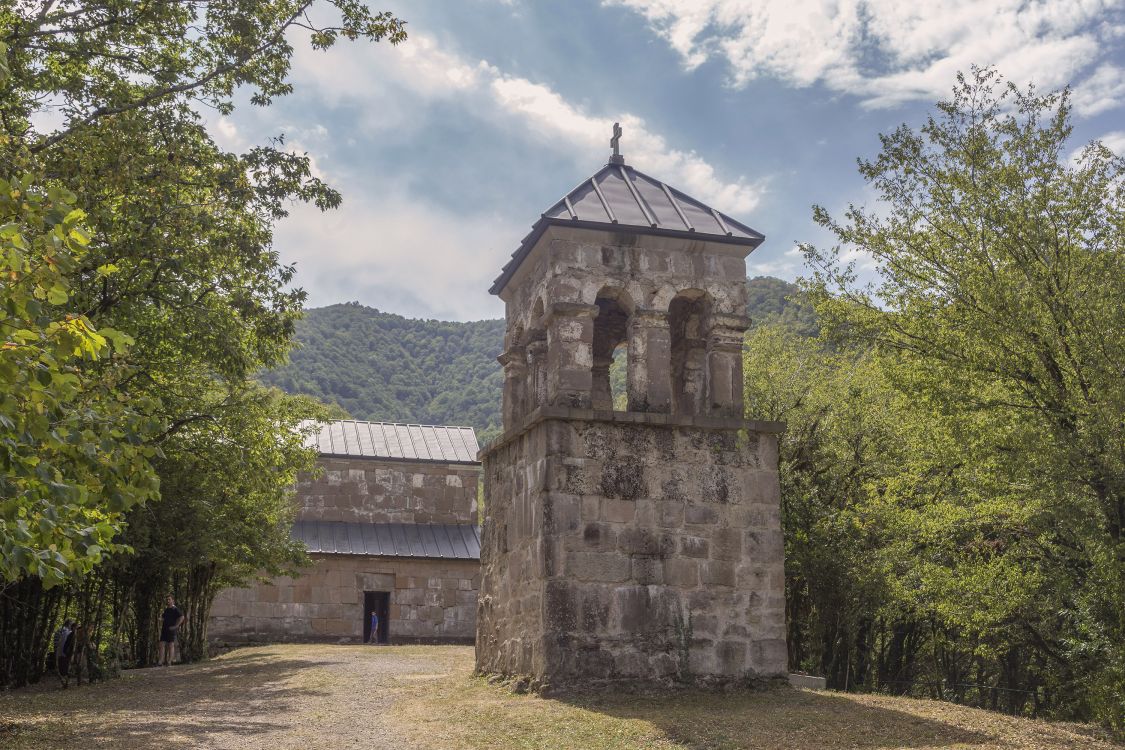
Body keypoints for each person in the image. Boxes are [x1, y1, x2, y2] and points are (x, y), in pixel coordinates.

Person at [158, 595, 184, 666]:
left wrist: (176, 626)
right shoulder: (166, 610)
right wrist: (160, 619)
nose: (168, 601)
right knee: (161, 644)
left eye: (169, 599)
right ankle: (160, 661)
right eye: (167, 600)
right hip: (164, 629)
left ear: (173, 600)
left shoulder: (175, 609)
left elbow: (182, 617)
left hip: (171, 629)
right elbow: (163, 618)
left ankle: (169, 661)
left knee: (171, 645)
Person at [54, 619, 74, 688]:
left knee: (60, 666)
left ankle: (63, 679)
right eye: (72, 624)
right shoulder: (66, 631)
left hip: (57, 650)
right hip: (62, 651)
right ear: (69, 624)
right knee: (64, 667)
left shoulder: (60, 629)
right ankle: (65, 681)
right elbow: (64, 643)